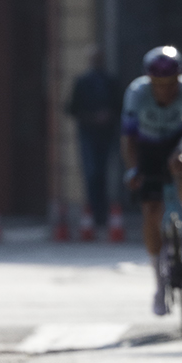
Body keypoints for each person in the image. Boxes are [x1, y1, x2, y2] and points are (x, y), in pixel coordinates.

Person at [121, 46, 182, 316]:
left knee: (181, 163)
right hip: (148, 146)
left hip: (177, 140)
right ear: (150, 82)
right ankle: (159, 285)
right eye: (159, 85)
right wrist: (132, 170)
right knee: (150, 211)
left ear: (179, 79)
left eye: (171, 84)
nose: (165, 91)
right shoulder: (136, 94)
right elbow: (128, 140)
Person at [67, 46, 121, 232]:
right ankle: (93, 214)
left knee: (105, 173)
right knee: (91, 173)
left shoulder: (110, 81)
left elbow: (120, 106)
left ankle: (106, 215)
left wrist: (108, 116)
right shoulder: (82, 82)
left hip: (106, 135)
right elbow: (72, 109)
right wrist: (92, 117)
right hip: (88, 134)